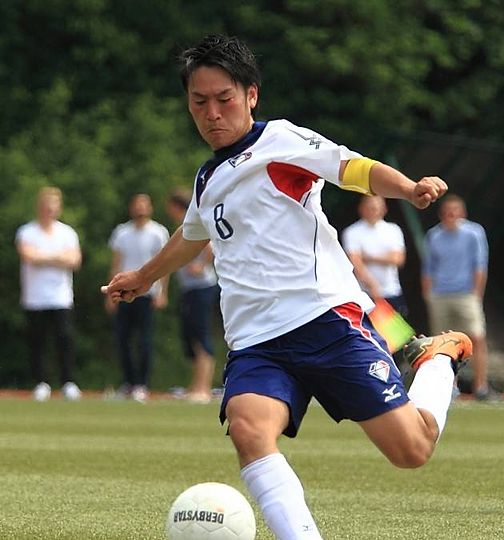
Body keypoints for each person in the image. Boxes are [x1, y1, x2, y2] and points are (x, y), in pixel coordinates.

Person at [102, 34, 470, 540]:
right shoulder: (207, 179)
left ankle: (437, 358)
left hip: (326, 322)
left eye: (224, 99)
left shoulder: (281, 141)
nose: (212, 113)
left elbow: (351, 168)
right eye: (199, 102)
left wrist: (408, 187)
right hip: (256, 341)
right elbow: (191, 234)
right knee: (248, 428)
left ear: (251, 95)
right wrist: (143, 277)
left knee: (412, 450)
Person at [422, 194, 498, 401]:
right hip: (440, 294)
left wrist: (476, 293)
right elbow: (428, 267)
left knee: (477, 337)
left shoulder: (474, 233)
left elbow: (480, 264)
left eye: (455, 211)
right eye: (447, 211)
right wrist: (429, 294)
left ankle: (480, 386)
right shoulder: (434, 235)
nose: (451, 215)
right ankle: (449, 387)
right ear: (441, 214)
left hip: (466, 294)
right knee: (443, 344)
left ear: (462, 213)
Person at [15, 187, 83, 402]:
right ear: (40, 207)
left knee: (64, 338)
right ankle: (41, 383)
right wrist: (58, 258)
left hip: (61, 296)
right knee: (37, 341)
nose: (50, 210)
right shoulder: (27, 232)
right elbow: (29, 257)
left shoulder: (67, 233)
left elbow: (74, 260)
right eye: (46, 206)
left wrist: (44, 257)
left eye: (53, 206)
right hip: (34, 297)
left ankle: (68, 382)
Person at [106, 193, 169, 403]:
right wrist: (111, 292)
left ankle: (142, 384)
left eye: (144, 204)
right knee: (123, 339)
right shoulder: (122, 232)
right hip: (124, 293)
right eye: (137, 204)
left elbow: (164, 264)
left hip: (147, 293)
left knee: (144, 339)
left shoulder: (158, 232)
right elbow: (116, 263)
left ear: (150, 207)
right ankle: (129, 382)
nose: (140, 208)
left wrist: (162, 292)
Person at [166, 187, 220, 403]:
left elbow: (210, 247)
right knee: (191, 336)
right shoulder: (183, 225)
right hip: (190, 289)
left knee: (201, 335)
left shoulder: (194, 222)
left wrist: (201, 266)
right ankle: (195, 386)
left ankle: (203, 388)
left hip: (202, 287)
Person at [341, 194, 408, 316]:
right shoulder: (352, 232)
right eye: (370, 208)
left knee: (398, 328)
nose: (374, 211)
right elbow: (355, 263)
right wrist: (372, 286)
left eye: (377, 208)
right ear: (361, 208)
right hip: (366, 295)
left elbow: (398, 259)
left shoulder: (393, 229)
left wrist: (368, 257)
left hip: (392, 291)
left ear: (384, 209)